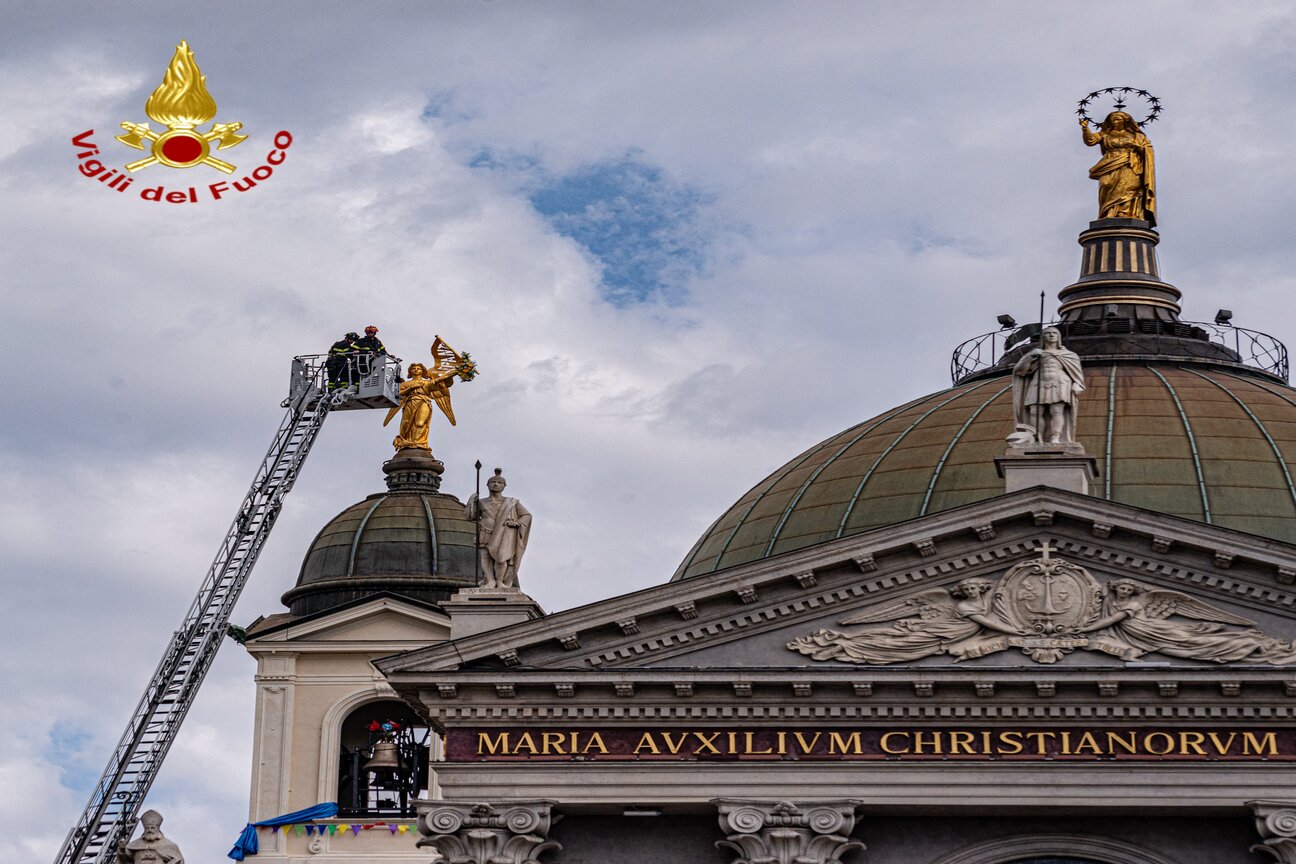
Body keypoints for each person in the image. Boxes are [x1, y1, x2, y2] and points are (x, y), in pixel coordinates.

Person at [1011, 327, 1084, 444]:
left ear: (1059, 337)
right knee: (1035, 411)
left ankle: (1055, 437)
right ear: (1042, 337)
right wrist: (1030, 357)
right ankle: (1036, 437)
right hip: (1038, 382)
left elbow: (1076, 374)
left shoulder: (1069, 355)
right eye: (1048, 333)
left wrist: (1077, 384)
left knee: (1056, 410)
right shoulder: (1035, 353)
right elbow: (1019, 371)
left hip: (1060, 382)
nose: (1051, 335)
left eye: (1054, 333)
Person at [1080, 110, 1156, 225]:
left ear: (1125, 121)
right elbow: (1090, 140)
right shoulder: (1105, 134)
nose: (1115, 122)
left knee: (1129, 188)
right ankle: (1107, 213)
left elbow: (1147, 150)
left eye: (1118, 119)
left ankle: (1125, 213)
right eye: (1112, 120)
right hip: (1109, 163)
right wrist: (1085, 129)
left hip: (1130, 164)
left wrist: (1137, 147)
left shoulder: (1138, 136)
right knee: (1106, 184)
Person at [464, 469, 532, 590]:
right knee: (486, 557)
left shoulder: (511, 503)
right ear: (487, 485)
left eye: (499, 482)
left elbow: (526, 515)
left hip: (504, 533)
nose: (495, 484)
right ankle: (490, 580)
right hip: (485, 531)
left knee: (502, 558)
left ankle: (500, 581)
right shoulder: (481, 502)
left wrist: (517, 523)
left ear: (504, 486)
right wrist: (471, 502)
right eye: (492, 482)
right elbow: (471, 517)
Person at [385, 362, 455, 450]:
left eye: (419, 368)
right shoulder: (405, 384)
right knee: (405, 423)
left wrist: (454, 373)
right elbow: (398, 394)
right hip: (409, 402)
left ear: (422, 371)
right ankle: (404, 441)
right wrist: (411, 388)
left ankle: (418, 443)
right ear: (410, 372)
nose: (416, 370)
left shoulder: (427, 382)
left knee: (420, 423)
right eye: (413, 368)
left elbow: (442, 383)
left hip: (423, 402)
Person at [116, 810, 185, 863]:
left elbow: (179, 860)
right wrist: (122, 849)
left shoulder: (168, 845)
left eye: (152, 828)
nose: (149, 830)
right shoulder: (135, 844)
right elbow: (124, 860)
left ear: (157, 828)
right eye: (147, 828)